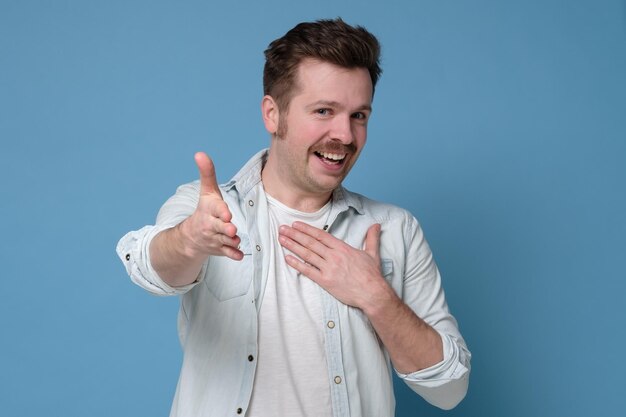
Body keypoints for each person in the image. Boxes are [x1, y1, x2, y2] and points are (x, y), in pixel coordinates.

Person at [117, 18, 470, 417]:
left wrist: (376, 297)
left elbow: (450, 389)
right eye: (324, 110)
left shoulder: (396, 230)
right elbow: (150, 268)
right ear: (273, 114)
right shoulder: (205, 209)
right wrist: (188, 241)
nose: (346, 135)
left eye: (359, 116)